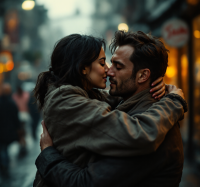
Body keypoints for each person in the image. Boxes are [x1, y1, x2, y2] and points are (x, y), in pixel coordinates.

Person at [33, 32, 186, 187]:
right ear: (82, 68)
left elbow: (85, 183)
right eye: (104, 63)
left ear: (143, 76)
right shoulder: (68, 99)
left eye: (117, 66)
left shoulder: (159, 127)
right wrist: (173, 99)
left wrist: (48, 155)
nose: (109, 71)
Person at [0, 83, 21, 177]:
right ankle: (5, 165)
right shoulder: (12, 103)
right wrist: (18, 128)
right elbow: (15, 117)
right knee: (4, 149)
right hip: (8, 130)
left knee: (3, 149)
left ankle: (4, 165)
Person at [12, 86, 30, 157]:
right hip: (25, 115)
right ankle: (24, 146)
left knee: (20, 132)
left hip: (19, 115)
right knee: (24, 132)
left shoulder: (14, 96)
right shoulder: (26, 95)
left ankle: (22, 146)